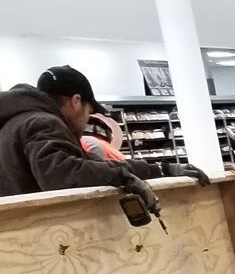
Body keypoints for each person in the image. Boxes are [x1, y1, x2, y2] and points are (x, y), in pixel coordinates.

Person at [0, 65, 203, 201]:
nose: (87, 119)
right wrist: (120, 177)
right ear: (76, 101)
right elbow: (61, 174)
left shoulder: (14, 124)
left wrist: (161, 169)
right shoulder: (42, 123)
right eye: (89, 111)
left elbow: (89, 163)